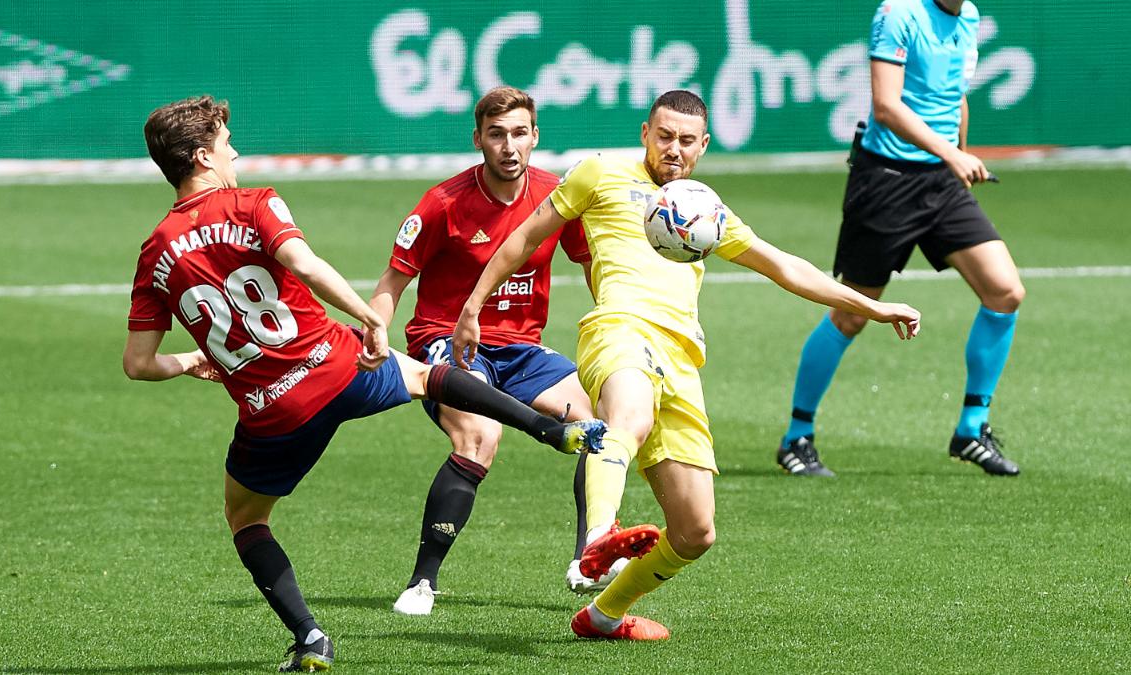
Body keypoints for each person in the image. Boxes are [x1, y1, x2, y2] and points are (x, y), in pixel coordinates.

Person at [122, 95, 606, 671]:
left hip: (271, 411)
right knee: (430, 377)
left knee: (246, 519)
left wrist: (187, 362)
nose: (235, 151)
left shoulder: (154, 253)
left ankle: (309, 637)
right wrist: (371, 317)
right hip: (337, 364)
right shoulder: (254, 204)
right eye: (226, 142)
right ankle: (547, 431)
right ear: (202, 155)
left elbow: (138, 363)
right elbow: (305, 265)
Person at [451, 90, 922, 640]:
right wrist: (472, 307)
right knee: (626, 421)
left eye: (686, 141)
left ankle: (602, 615)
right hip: (618, 330)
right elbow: (524, 236)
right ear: (646, 131)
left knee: (695, 531)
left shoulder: (703, 207)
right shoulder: (598, 174)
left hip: (681, 359)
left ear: (703, 146)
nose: (673, 149)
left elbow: (785, 267)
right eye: (665, 135)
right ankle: (598, 536)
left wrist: (873, 305)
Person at [369, 86, 616, 616]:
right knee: (481, 434)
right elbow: (392, 282)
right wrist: (376, 334)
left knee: (603, 426)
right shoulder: (443, 204)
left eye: (520, 133)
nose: (509, 146)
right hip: (445, 343)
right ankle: (421, 582)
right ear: (478, 138)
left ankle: (588, 559)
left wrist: (619, 320)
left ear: (535, 137)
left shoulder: (557, 197)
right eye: (497, 134)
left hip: (522, 350)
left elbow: (594, 265)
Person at [775, 0, 1024, 478]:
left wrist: (960, 157)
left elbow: (956, 95)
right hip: (886, 183)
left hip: (942, 183)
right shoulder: (898, 13)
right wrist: (952, 153)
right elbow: (887, 107)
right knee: (850, 316)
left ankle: (972, 429)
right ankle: (796, 438)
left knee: (1005, 291)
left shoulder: (967, 16)